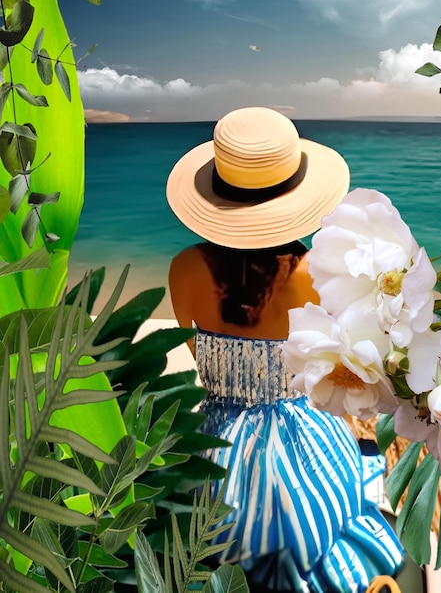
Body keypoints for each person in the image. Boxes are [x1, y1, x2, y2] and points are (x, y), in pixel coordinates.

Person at [166, 107, 404, 593]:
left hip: (220, 443)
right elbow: (330, 360)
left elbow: (199, 358)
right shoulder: (315, 272)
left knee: (209, 524)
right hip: (299, 431)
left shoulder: (182, 268)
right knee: (334, 495)